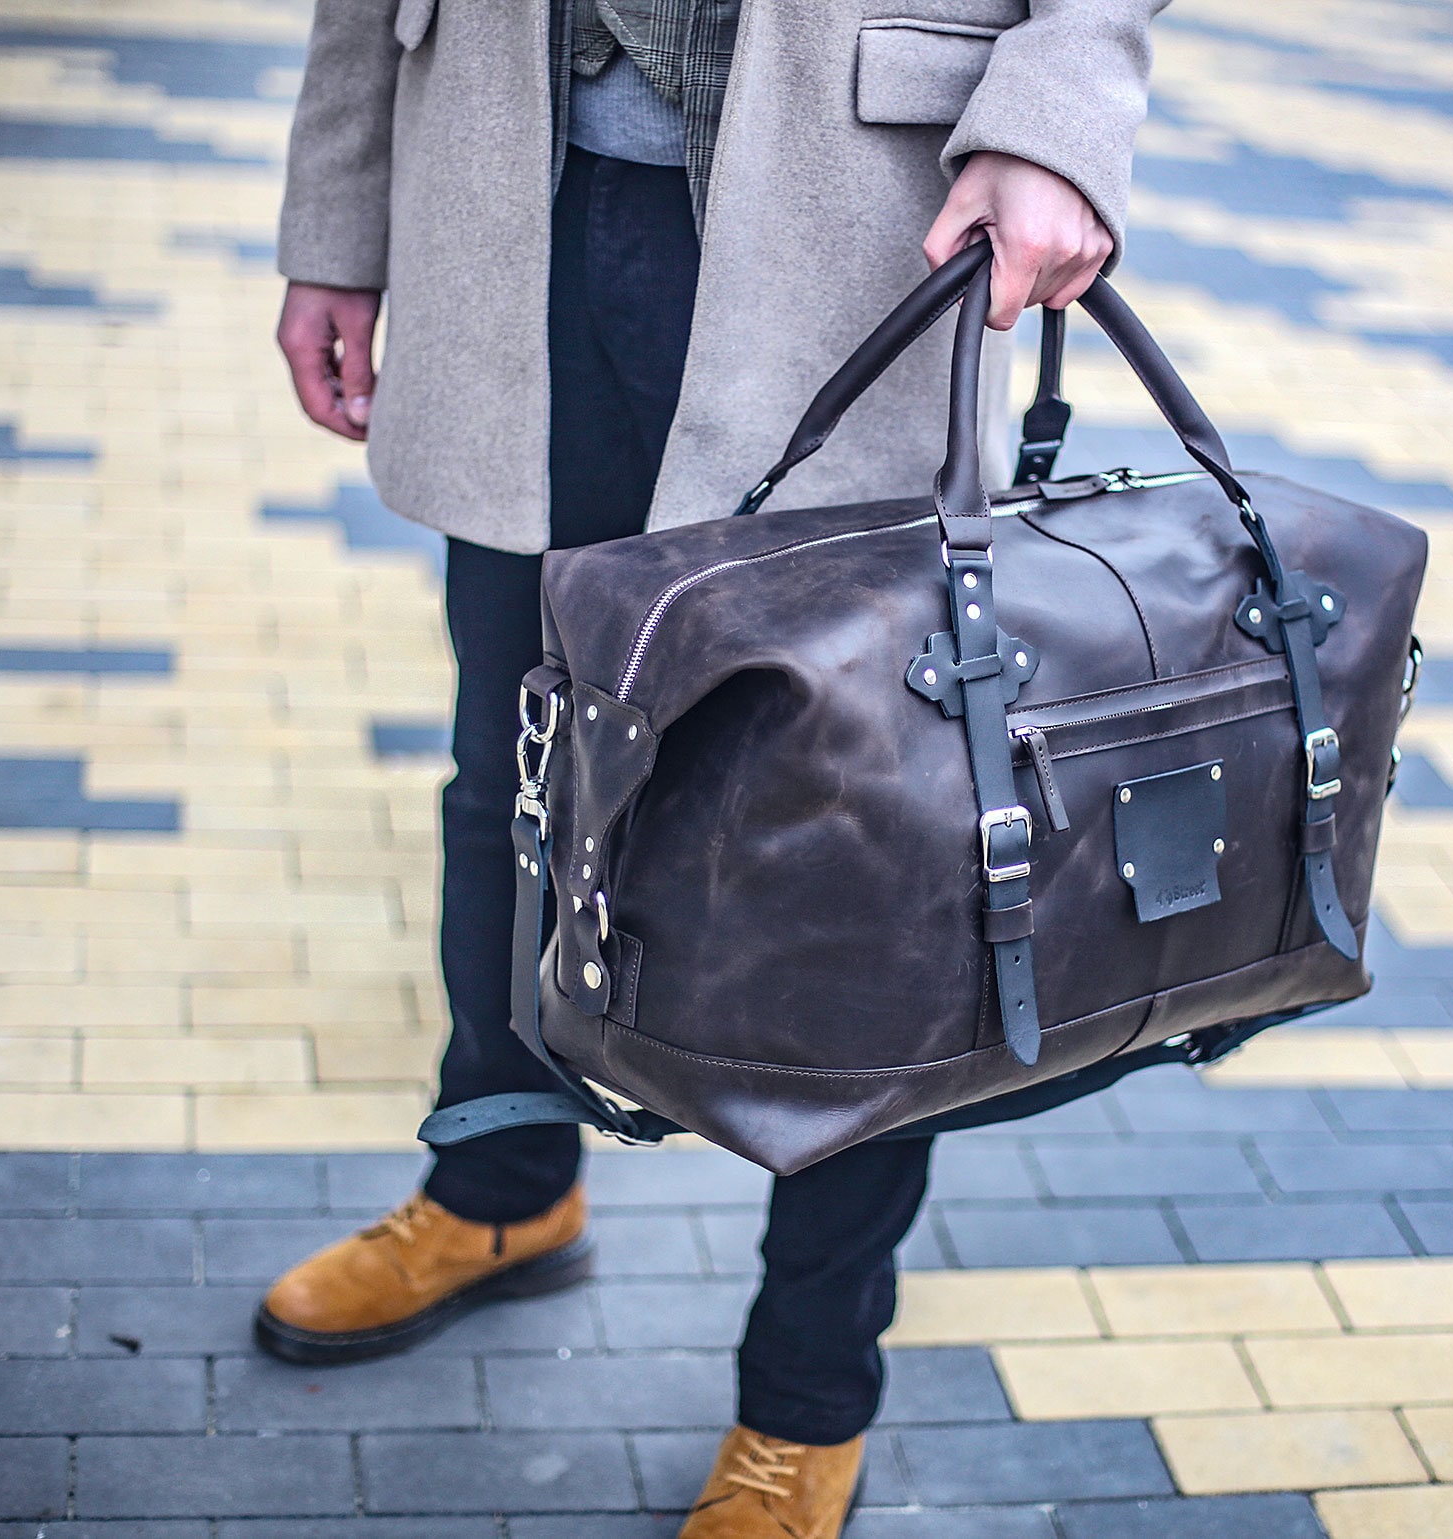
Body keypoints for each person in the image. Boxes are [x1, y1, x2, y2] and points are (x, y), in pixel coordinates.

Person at [259, 1, 1160, 1532]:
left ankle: (809, 1392)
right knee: (519, 785)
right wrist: (339, 214)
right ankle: (500, 1186)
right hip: (506, 194)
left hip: (848, 211)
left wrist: (1062, 107)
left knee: (875, 849)